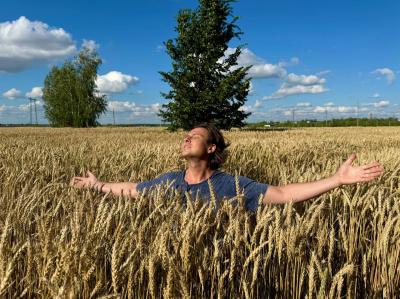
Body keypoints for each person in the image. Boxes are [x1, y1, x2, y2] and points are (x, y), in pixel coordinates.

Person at [70, 123, 384, 212]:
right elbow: (132, 190)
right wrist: (98, 185)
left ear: (211, 149)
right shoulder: (168, 182)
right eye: (185, 135)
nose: (186, 138)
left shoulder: (231, 186)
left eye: (194, 136)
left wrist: (338, 179)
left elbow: (283, 193)